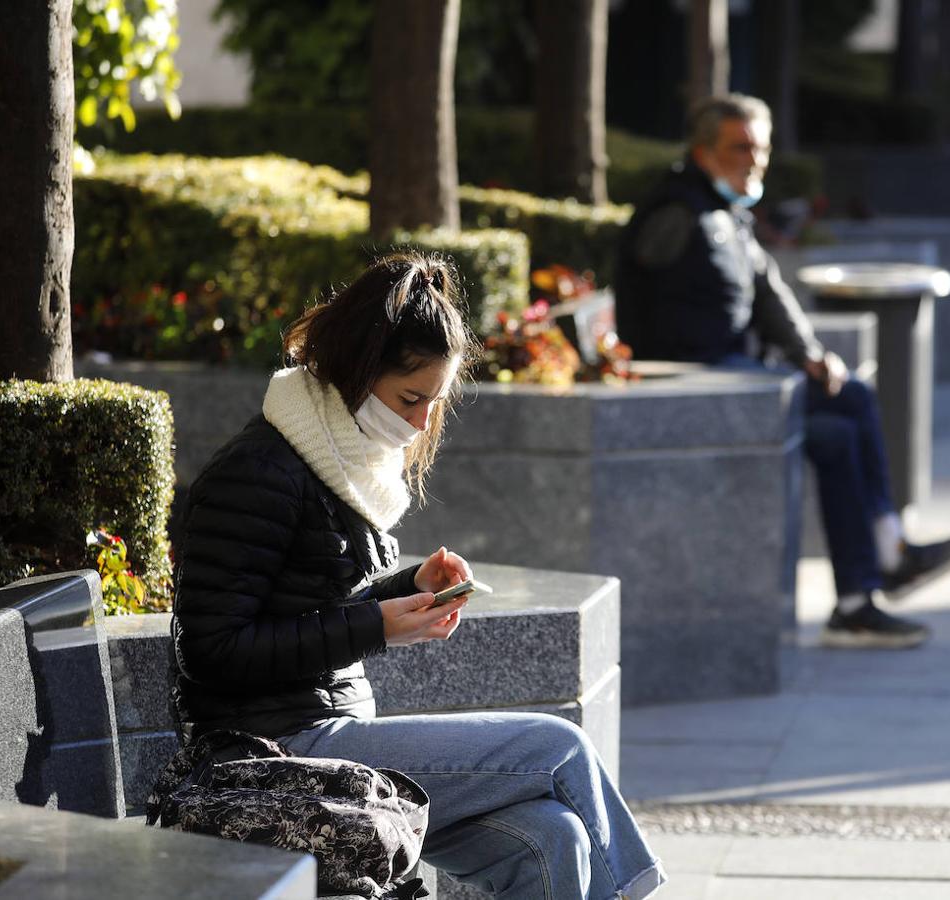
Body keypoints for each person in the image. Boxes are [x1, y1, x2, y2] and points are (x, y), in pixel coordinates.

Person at [170, 252, 666, 900]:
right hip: (279, 754)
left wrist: (404, 592)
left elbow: (313, 600)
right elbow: (211, 651)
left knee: (553, 839)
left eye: (435, 403)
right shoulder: (259, 472)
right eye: (411, 398)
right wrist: (373, 626)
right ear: (355, 370)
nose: (422, 422)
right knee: (560, 747)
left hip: (332, 733)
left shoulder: (342, 459)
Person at [615, 93, 950, 650]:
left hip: (739, 378)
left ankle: (885, 555)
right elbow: (644, 311)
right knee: (836, 434)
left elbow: (766, 290)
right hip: (697, 389)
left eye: (761, 148)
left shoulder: (725, 210)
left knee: (850, 395)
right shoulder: (677, 213)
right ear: (703, 151)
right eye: (741, 148)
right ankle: (861, 596)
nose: (755, 160)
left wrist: (808, 352)